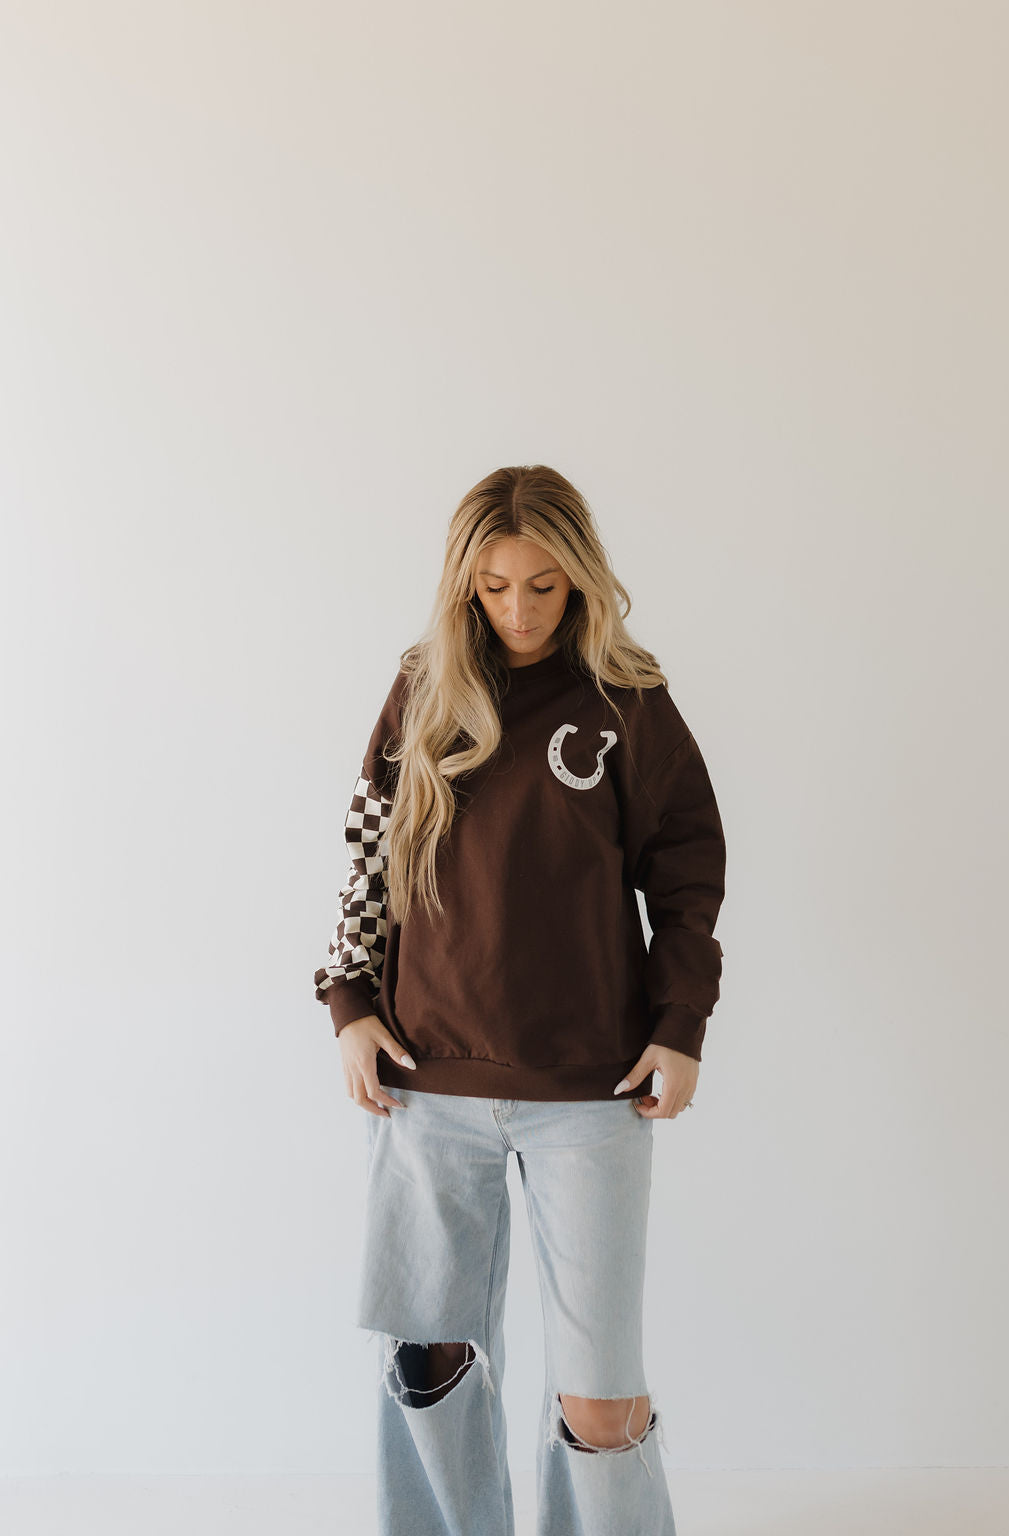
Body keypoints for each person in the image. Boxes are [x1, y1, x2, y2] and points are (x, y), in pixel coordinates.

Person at [313, 465, 727, 1536]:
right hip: (424, 1074)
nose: (520, 609)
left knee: (599, 1396)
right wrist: (350, 1001)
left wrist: (679, 1028)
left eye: (544, 585)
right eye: (494, 587)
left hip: (591, 1088)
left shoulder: (628, 698)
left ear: (581, 577)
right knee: (427, 1359)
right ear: (464, 584)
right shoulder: (424, 687)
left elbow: (686, 871)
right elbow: (368, 853)